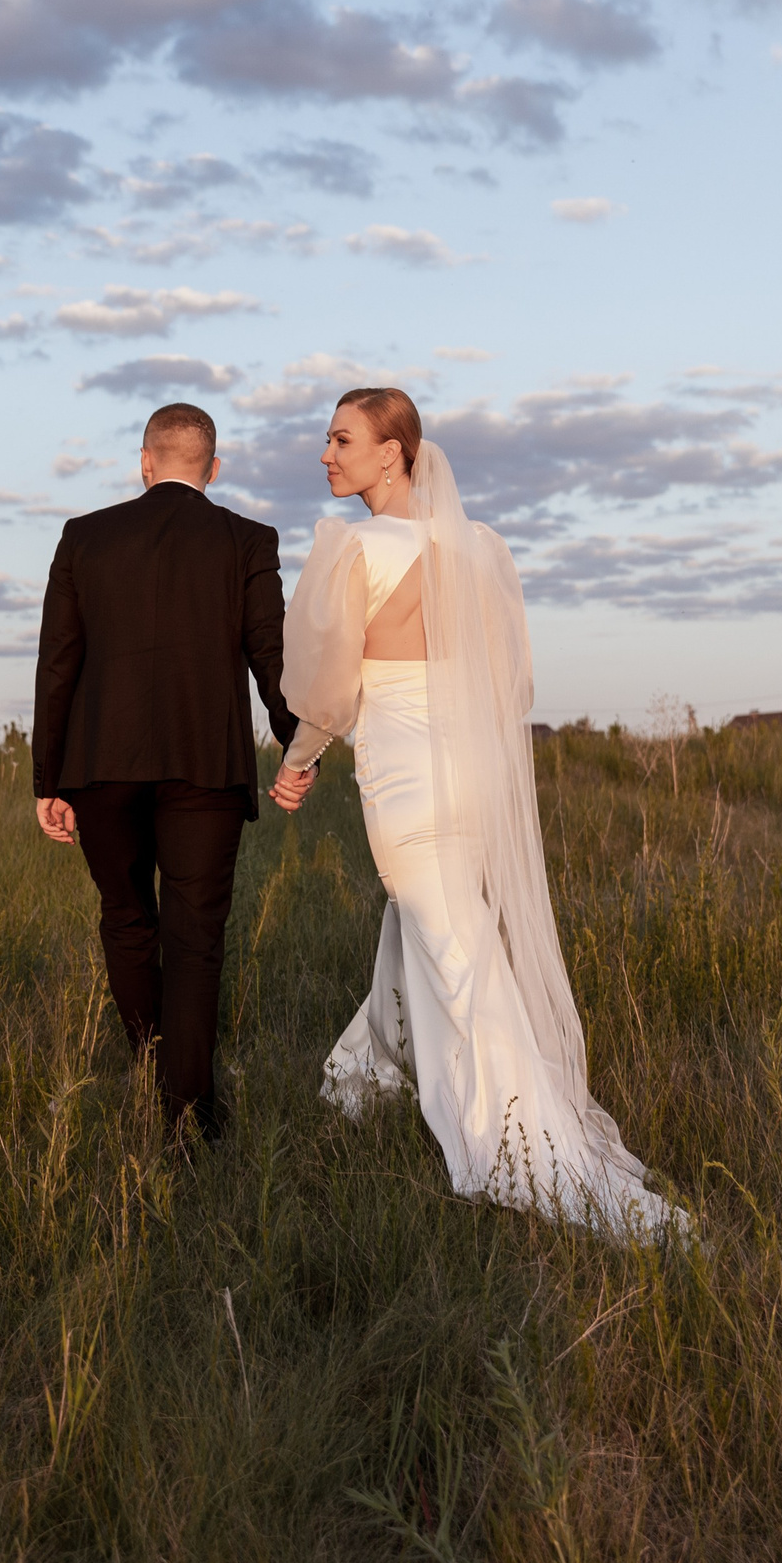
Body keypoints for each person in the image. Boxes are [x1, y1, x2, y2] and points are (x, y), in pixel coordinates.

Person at [270, 389, 685, 1237]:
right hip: (470, 779)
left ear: (391, 453)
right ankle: (371, 1072)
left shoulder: (354, 548)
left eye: (341, 439)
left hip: (407, 788)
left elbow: (327, 687)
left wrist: (295, 763)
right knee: (427, 926)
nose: (326, 455)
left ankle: (534, 1150)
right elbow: (510, 683)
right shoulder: (483, 549)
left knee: (461, 963)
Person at [33, 402, 301, 1143]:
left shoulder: (83, 537)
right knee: (195, 938)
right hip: (204, 766)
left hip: (99, 765)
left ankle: (156, 1075)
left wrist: (48, 779)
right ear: (212, 469)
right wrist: (298, 742)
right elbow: (270, 657)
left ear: (145, 463)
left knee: (126, 917)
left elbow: (58, 663)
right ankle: (191, 1115)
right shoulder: (247, 539)